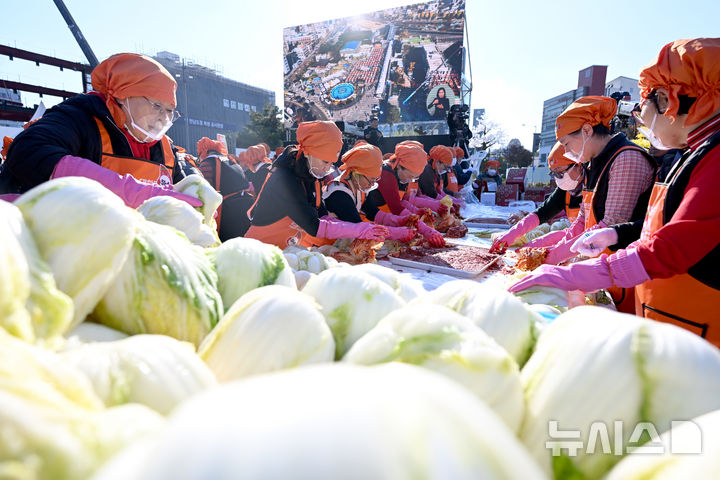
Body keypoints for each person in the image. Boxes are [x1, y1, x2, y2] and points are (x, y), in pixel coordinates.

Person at [510, 38, 720, 345]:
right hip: (668, 318)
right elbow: (659, 227)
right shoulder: (697, 150)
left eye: (644, 109)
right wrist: (615, 234)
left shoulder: (711, 155)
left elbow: (676, 245)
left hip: (700, 330)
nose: (643, 124)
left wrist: (575, 274)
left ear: (668, 99)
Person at [0, 53, 200, 209]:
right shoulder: (79, 118)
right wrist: (130, 191)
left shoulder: (164, 147)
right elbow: (27, 151)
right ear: (123, 96)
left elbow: (180, 191)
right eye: (156, 106)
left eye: (169, 111)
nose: (163, 118)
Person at [533, 96, 656, 266]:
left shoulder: (626, 159)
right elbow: (583, 218)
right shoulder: (592, 163)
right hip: (600, 263)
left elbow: (612, 224)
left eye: (566, 143)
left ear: (587, 131)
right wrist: (555, 251)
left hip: (625, 268)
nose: (566, 151)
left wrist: (555, 256)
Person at [245, 121, 388, 248]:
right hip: (258, 251)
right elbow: (314, 226)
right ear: (308, 153)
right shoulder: (284, 178)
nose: (328, 168)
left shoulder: (312, 176)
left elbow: (323, 216)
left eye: (332, 163)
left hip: (286, 250)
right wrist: (359, 229)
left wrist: (358, 228)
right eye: (325, 162)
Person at [490, 143, 583, 252]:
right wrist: (512, 234)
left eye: (561, 172)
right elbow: (542, 212)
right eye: (554, 174)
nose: (559, 179)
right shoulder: (565, 191)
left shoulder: (594, 187)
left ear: (579, 165)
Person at [323, 143, 415, 242]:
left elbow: (373, 212)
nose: (372, 185)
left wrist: (398, 221)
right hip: (322, 244)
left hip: (340, 242)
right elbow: (357, 226)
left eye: (375, 180)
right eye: (371, 180)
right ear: (356, 173)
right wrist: (397, 232)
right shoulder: (339, 192)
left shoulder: (360, 186)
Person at [369, 141, 445, 247]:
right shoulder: (386, 174)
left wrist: (416, 211)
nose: (410, 180)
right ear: (400, 166)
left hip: (386, 221)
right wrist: (424, 229)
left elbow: (402, 198)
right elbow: (397, 208)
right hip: (370, 224)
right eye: (410, 176)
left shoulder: (398, 173)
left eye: (414, 178)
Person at [196, 137, 253, 240]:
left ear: (203, 152)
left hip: (227, 213)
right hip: (245, 206)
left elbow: (204, 191)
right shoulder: (232, 161)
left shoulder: (208, 163)